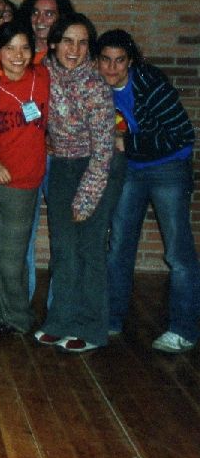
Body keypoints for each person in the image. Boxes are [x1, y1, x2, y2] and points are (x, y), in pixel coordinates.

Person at [97, 29, 198, 352]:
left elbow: (183, 134)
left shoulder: (150, 85)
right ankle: (111, 318)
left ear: (131, 62)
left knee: (177, 251)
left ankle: (184, 329)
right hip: (132, 168)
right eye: (105, 60)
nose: (112, 68)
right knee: (119, 245)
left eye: (119, 61)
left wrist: (127, 143)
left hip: (169, 166)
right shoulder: (97, 85)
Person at [34, 14, 119, 354]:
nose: (75, 49)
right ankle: (60, 321)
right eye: (68, 41)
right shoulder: (45, 73)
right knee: (64, 249)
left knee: (89, 250)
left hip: (95, 169)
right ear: (54, 43)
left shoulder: (95, 86)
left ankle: (92, 328)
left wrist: (86, 198)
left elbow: (104, 151)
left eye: (83, 43)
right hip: (61, 168)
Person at [0, 21, 50, 342]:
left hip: (24, 184)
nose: (18, 55)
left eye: (24, 48)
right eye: (9, 48)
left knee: (11, 258)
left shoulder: (43, 78)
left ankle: (16, 316)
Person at [17, 0, 75, 65]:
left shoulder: (71, 53)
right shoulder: (18, 52)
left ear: (62, 17)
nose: (39, 20)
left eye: (49, 14)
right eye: (35, 13)